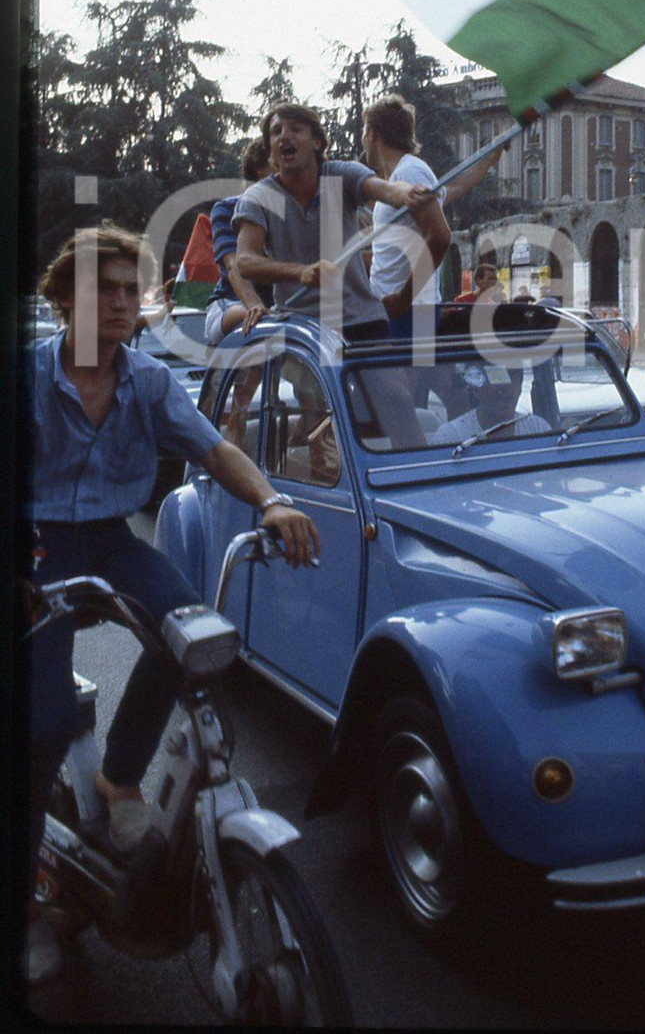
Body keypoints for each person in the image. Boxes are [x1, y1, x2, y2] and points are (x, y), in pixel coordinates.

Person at [22, 223, 320, 986]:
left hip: (110, 538)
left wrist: (273, 499)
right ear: (65, 300)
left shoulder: (148, 380)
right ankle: (21, 904)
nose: (123, 303)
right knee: (42, 720)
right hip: (36, 543)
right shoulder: (26, 376)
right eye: (105, 289)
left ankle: (119, 779)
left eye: (132, 291)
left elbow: (213, 448)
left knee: (193, 637)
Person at [233, 102, 434, 342]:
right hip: (300, 327)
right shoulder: (257, 197)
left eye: (295, 129)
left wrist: (407, 192)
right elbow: (245, 261)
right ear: (271, 151)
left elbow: (387, 189)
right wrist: (301, 272)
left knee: (389, 368)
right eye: (276, 132)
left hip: (362, 319)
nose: (285, 136)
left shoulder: (342, 174)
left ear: (316, 142)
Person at [361, 95, 451, 339]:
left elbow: (440, 237)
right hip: (399, 309)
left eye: (364, 133)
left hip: (407, 311)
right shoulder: (401, 175)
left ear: (372, 134)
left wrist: (402, 299)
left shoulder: (410, 172)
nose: (363, 142)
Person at [204, 138, 274, 346]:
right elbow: (233, 265)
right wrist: (254, 305)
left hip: (284, 308)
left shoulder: (297, 212)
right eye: (278, 165)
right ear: (260, 169)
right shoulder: (228, 209)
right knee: (255, 318)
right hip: (232, 302)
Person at [429, 363, 549, 445]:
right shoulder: (451, 437)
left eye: (512, 376)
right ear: (476, 389)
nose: (506, 387)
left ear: (520, 385)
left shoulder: (538, 429)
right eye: (497, 377)